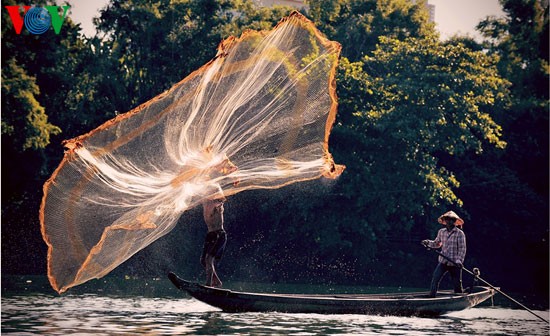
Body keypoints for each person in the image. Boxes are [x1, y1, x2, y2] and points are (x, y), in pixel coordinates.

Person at [199, 155, 238, 288]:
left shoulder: (216, 202)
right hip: (210, 234)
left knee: (209, 259)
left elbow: (221, 200)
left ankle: (209, 285)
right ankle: (217, 281)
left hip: (218, 234)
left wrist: (217, 201)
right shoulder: (205, 199)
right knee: (203, 261)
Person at [421, 211, 466, 297]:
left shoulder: (460, 234)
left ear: (454, 221)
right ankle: (431, 297)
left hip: (455, 263)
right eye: (447, 220)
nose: (448, 222)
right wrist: (427, 242)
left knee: (457, 283)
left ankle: (459, 299)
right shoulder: (441, 232)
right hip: (443, 261)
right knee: (435, 278)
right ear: (444, 221)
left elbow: (462, 249)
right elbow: (436, 244)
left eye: (451, 220)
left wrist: (459, 261)